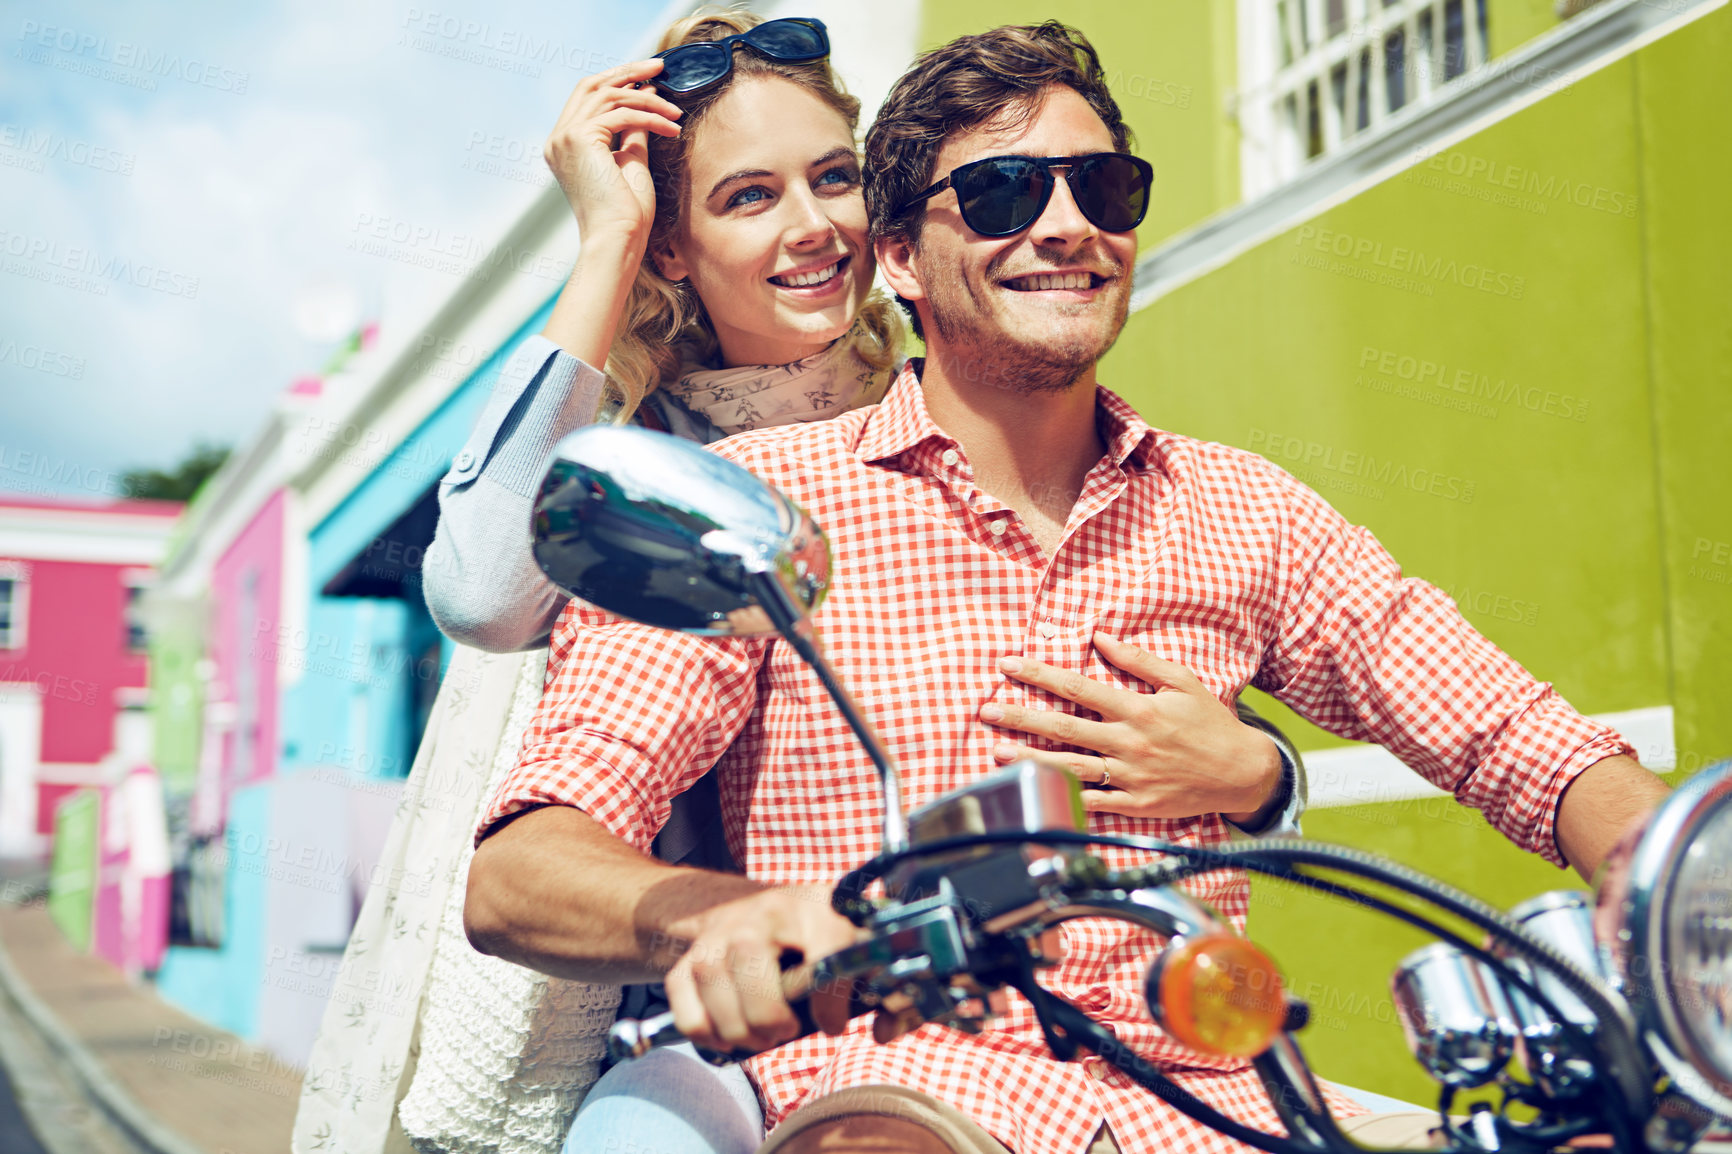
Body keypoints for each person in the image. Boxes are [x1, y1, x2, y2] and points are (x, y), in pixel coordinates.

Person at [463, 20, 1672, 1154]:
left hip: (1216, 1099)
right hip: (901, 1100)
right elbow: (525, 861)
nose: (1063, 225)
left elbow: (1516, 735)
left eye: (1103, 189)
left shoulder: (1242, 508)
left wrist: (1673, 883)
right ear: (898, 258)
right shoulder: (761, 499)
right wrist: (728, 914)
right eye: (999, 193)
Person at [294, 13, 1304, 1154]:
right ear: (673, 250)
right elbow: (482, 593)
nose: (814, 225)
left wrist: (1266, 771)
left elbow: (1103, 651)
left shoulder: (962, 397)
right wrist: (605, 236)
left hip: (968, 1010)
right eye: (746, 197)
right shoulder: (662, 458)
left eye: (834, 179)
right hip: (698, 984)